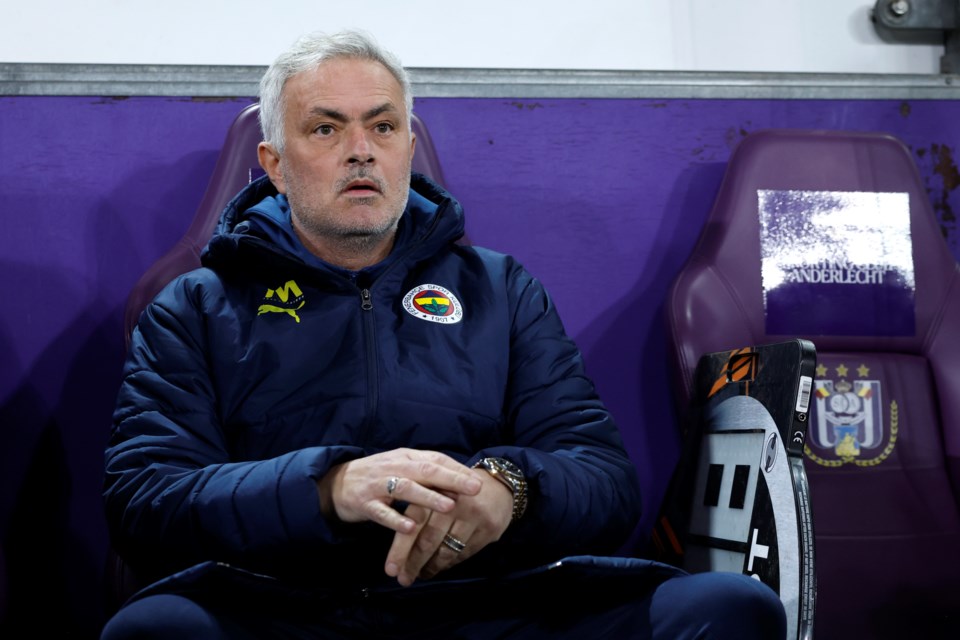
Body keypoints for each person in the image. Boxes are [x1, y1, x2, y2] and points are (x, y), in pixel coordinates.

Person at [100, 29, 786, 639]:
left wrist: (509, 490)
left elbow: (604, 482)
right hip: (282, 605)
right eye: (326, 129)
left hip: (488, 601)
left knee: (730, 607)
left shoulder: (501, 291)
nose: (361, 152)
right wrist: (325, 488)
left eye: (384, 127)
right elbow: (146, 501)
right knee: (154, 628)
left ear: (408, 145)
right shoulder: (193, 307)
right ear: (275, 164)